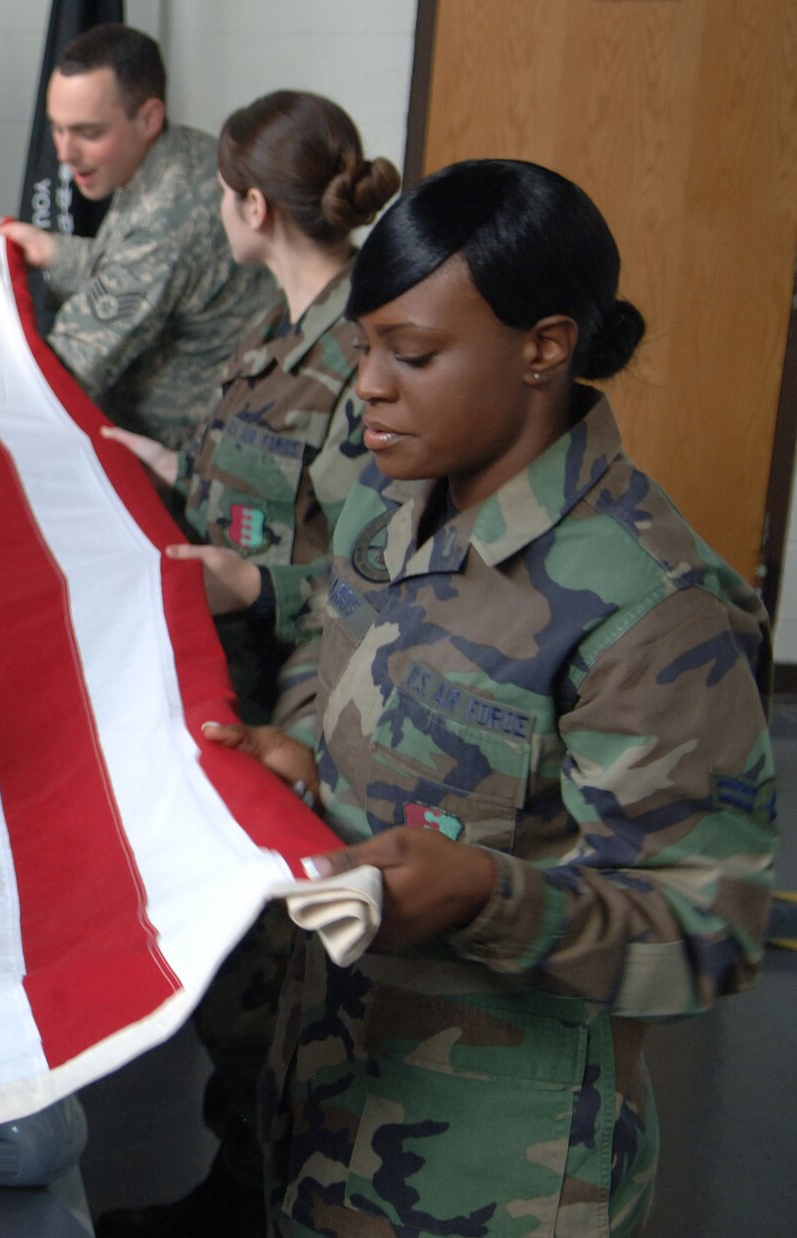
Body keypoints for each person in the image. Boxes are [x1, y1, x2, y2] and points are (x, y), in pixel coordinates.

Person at [211, 160, 774, 1236]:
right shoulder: (393, 500)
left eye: (409, 354)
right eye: (364, 344)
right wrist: (300, 750)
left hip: (485, 1171)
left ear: (542, 347)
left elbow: (708, 930)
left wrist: (484, 894)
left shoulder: (650, 604)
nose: (365, 384)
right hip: (324, 1087)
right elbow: (355, 656)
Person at [96, 90, 399, 1238]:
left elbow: (376, 570)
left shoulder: (363, 357)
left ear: (250, 205)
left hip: (308, 704)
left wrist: (248, 582)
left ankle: (268, 1198)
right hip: (230, 683)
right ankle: (238, 1183)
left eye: (218, 195)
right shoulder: (276, 331)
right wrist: (161, 462)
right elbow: (264, 500)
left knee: (276, 979)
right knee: (240, 982)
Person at [0, 24, 278, 450]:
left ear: (148, 118)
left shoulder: (169, 218)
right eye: (57, 128)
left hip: (177, 468)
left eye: (88, 133)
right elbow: (129, 264)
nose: (64, 154)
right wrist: (54, 252)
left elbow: (56, 373)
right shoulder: (183, 154)